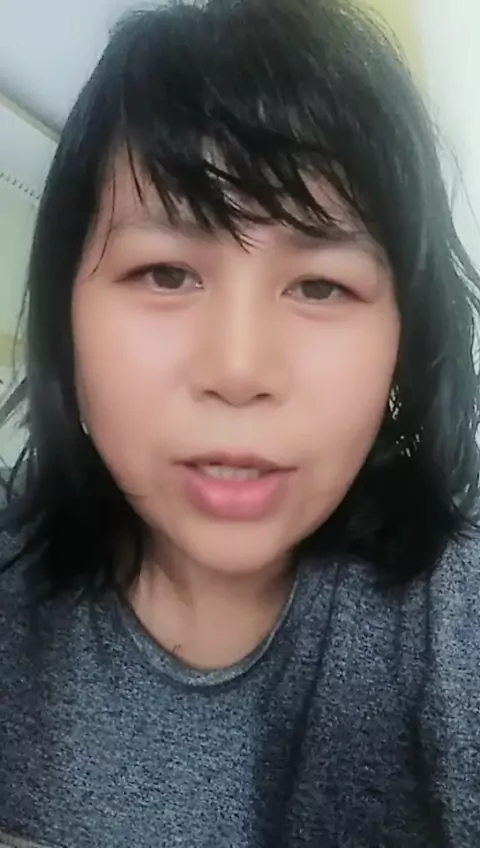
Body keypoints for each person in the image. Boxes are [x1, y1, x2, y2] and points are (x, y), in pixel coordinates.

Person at [1, 0, 480, 844]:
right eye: (165, 273)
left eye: (321, 286)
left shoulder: (449, 617)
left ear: (403, 342)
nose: (238, 370)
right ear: (66, 321)